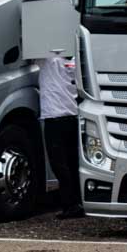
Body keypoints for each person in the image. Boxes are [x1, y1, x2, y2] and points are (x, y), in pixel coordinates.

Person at [38, 49, 83, 219]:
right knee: (72, 162)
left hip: (53, 117)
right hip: (72, 115)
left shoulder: (47, 59)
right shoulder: (74, 60)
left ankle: (69, 205)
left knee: (58, 164)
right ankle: (78, 202)